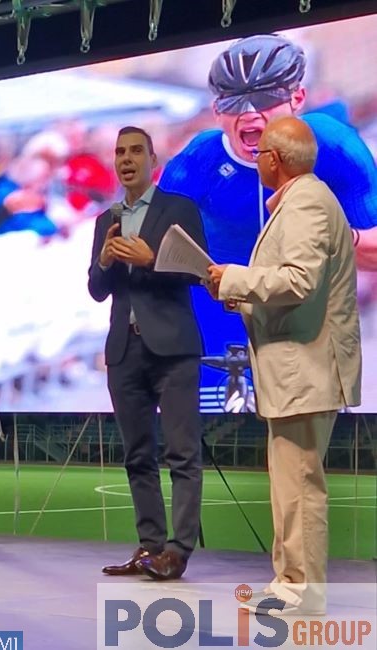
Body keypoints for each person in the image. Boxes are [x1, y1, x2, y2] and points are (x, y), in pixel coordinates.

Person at [158, 34, 376, 408]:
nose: (249, 113)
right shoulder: (199, 159)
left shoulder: (334, 147)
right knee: (216, 433)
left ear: (298, 99)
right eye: (233, 101)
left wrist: (335, 236)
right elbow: (151, 251)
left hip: (301, 320)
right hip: (216, 316)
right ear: (216, 110)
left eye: (265, 98)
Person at [207, 117, 362, 615]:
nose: (255, 162)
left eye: (260, 156)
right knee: (292, 485)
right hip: (299, 369)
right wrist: (237, 293)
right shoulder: (303, 201)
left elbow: (298, 281)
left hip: (306, 369)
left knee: (299, 486)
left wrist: (235, 278)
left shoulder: (307, 203)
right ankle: (291, 582)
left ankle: (300, 589)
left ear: (273, 159)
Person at [88, 126, 207, 580]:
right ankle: (150, 546)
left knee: (181, 453)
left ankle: (178, 551)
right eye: (120, 151)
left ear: (153, 160)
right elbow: (97, 290)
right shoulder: (107, 218)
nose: (126, 158)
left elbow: (199, 271)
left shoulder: (179, 209)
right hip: (125, 350)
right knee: (137, 455)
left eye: (136, 150)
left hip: (173, 349)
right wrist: (104, 262)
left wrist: (150, 259)